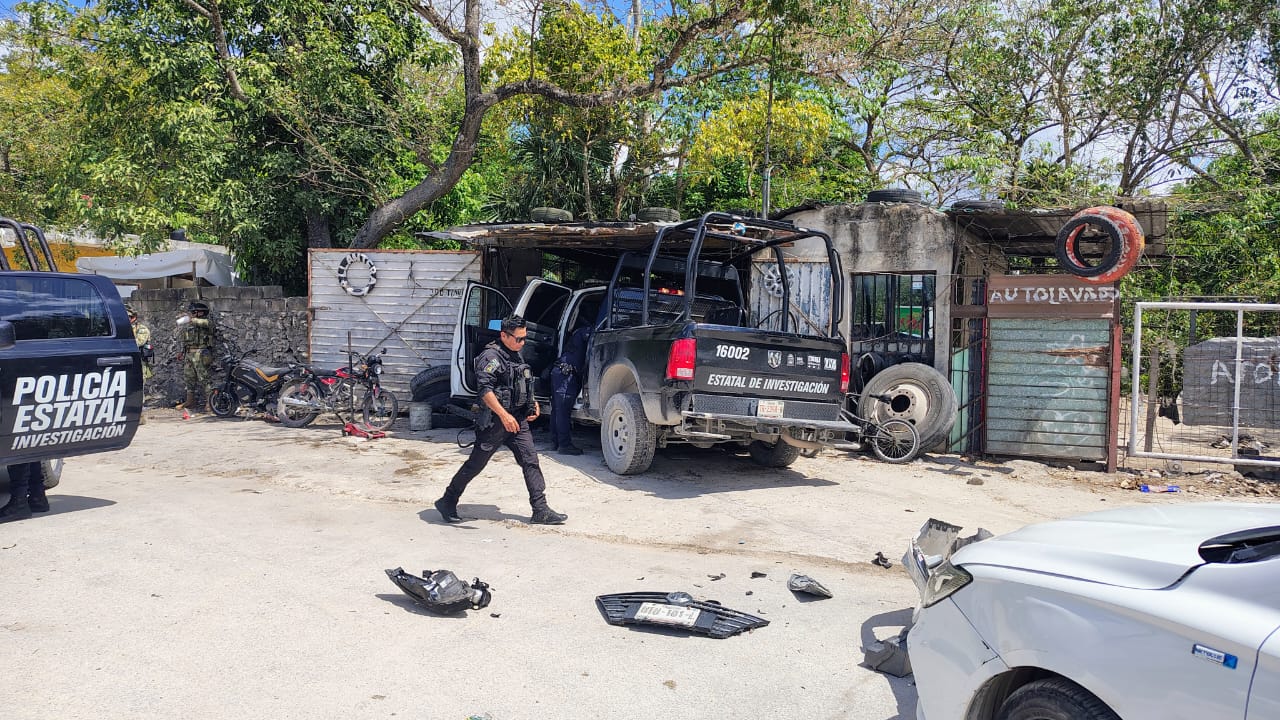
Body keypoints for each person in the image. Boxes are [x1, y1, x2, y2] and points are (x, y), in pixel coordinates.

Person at [434, 315, 568, 525]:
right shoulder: (491, 357)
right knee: (475, 464)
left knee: (530, 461)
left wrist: (532, 403)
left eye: (524, 338)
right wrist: (504, 415)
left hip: (517, 420)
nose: (522, 343)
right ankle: (447, 500)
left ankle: (540, 509)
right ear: (504, 335)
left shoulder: (515, 354)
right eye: (518, 339)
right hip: (495, 423)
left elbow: (522, 381)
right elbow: (485, 390)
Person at [548, 322, 593, 455]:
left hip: (559, 372)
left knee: (557, 410)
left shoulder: (575, 334)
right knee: (563, 411)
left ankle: (556, 442)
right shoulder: (585, 331)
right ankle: (564, 445)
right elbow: (593, 340)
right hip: (566, 375)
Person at [176, 301, 216, 411]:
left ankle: (210, 402)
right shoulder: (190, 325)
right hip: (189, 353)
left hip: (201, 354)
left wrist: (190, 318)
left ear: (201, 312)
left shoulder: (207, 323)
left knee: (204, 378)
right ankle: (190, 401)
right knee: (189, 377)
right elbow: (186, 340)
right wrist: (182, 352)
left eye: (194, 312)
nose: (192, 314)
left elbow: (205, 324)